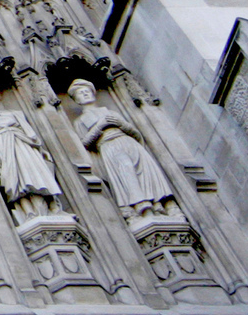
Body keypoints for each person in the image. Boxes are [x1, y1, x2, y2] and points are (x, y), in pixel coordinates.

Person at [68, 78, 178, 219]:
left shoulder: (111, 112)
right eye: (81, 93)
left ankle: (160, 204)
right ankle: (142, 207)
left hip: (128, 143)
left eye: (87, 91)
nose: (85, 94)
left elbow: (135, 133)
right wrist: (99, 127)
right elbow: (85, 143)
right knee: (126, 170)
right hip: (109, 147)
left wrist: (121, 124)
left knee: (147, 172)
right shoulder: (80, 121)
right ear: (76, 100)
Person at [0, 79, 64, 221]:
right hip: (2, 149)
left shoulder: (15, 113)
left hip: (23, 145)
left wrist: (39, 148)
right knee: (14, 180)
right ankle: (28, 212)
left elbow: (30, 133)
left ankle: (52, 207)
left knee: (35, 173)